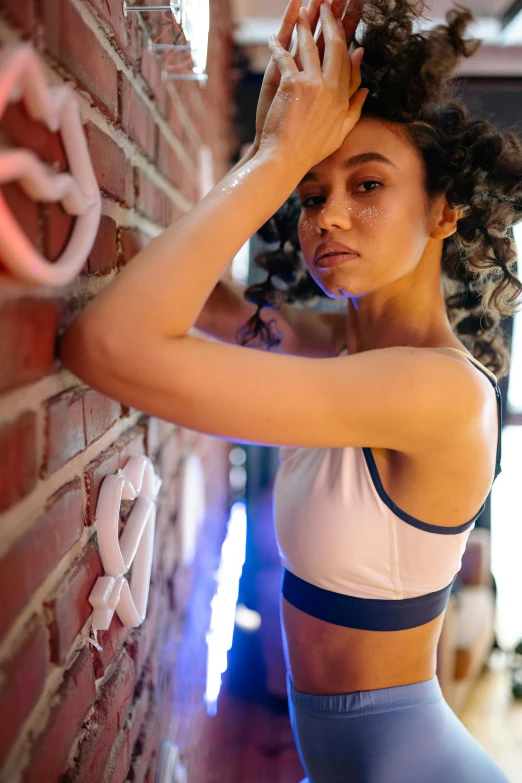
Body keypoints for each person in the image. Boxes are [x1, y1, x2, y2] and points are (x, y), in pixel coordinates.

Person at [58, 0, 522, 780]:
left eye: (367, 184)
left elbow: (105, 345)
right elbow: (202, 301)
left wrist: (276, 159)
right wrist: (274, 137)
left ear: (445, 209)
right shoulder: (339, 345)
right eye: (309, 195)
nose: (328, 217)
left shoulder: (435, 392)